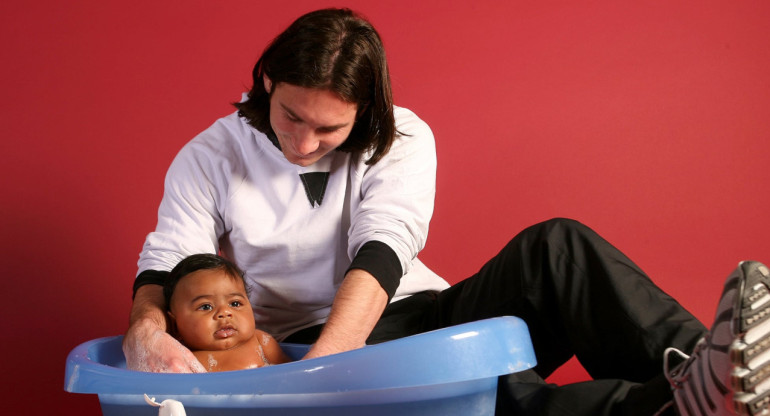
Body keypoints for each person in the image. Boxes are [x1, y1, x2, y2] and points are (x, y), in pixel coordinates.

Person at [122, 7, 770, 415]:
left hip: (405, 313)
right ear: (268, 82)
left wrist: (336, 360)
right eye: (292, 116)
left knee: (558, 247)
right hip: (305, 343)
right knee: (475, 392)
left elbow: (383, 247)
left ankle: (719, 373)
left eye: (331, 130)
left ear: (365, 115)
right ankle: (677, 408)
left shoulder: (403, 135)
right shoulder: (210, 155)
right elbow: (167, 262)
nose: (305, 142)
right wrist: (147, 332)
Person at [164, 253, 290, 372]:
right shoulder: (179, 359)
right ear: (174, 325)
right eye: (206, 306)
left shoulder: (262, 342)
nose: (224, 312)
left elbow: (290, 377)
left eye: (235, 303)